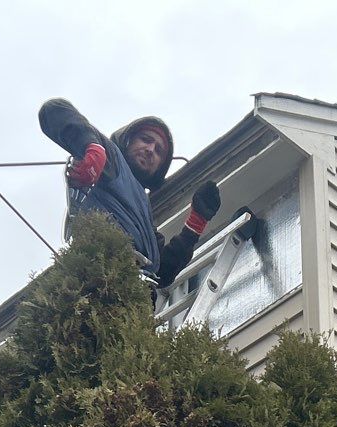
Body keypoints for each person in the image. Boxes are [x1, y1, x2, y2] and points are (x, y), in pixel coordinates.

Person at [37, 99, 220, 286]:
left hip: (129, 299)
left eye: (159, 151)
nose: (150, 150)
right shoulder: (112, 160)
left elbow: (161, 274)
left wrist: (195, 226)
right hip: (100, 276)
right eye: (146, 140)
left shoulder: (144, 218)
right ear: (128, 140)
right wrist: (92, 147)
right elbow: (53, 111)